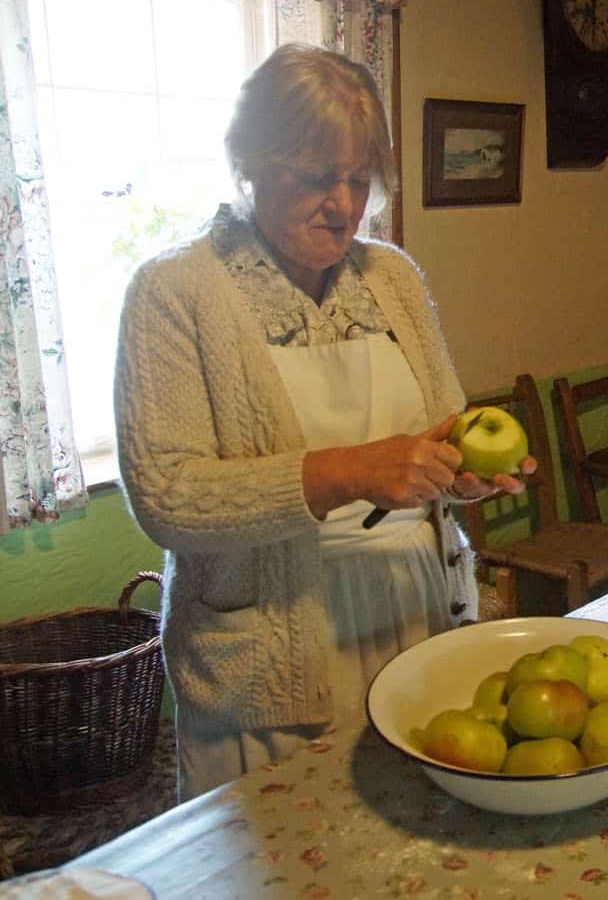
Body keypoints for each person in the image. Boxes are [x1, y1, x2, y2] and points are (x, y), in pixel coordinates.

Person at [114, 43, 534, 800]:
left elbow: (439, 430)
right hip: (271, 649)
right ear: (251, 165)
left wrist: (462, 475)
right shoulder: (174, 293)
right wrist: (348, 469)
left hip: (412, 613)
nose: (344, 204)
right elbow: (167, 497)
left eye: (358, 178)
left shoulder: (393, 278)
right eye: (316, 178)